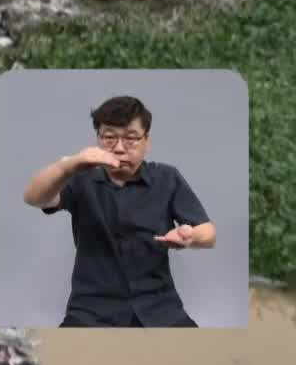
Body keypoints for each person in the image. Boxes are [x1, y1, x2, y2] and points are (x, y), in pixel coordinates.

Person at [21, 95, 216, 327]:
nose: (120, 149)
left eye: (131, 139)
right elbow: (33, 197)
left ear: (147, 141)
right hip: (91, 311)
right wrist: (68, 164)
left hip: (160, 307)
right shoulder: (81, 178)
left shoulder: (167, 178)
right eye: (110, 138)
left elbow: (208, 233)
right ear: (98, 139)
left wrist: (190, 237)